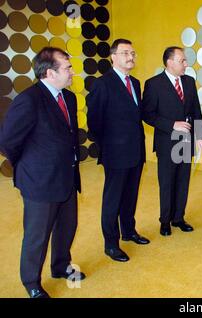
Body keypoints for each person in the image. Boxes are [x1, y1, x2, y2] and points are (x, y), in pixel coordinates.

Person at [0, 47, 85, 298]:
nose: (72, 72)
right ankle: (31, 282)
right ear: (50, 72)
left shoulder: (68, 98)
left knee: (67, 227)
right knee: (37, 236)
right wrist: (29, 165)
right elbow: (7, 142)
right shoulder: (28, 100)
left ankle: (60, 266)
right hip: (40, 182)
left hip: (67, 176)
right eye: (68, 67)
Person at [87, 39, 149, 263]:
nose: (131, 56)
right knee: (113, 199)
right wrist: (109, 146)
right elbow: (93, 121)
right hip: (115, 153)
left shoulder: (136, 82)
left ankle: (129, 231)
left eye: (133, 52)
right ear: (113, 57)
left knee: (131, 194)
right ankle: (111, 244)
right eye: (125, 53)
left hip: (135, 151)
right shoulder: (102, 84)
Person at [142, 46, 202, 236]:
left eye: (185, 60)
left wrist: (199, 136)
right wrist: (172, 125)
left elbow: (196, 111)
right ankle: (165, 221)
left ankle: (178, 218)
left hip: (186, 141)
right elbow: (147, 114)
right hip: (166, 141)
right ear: (169, 62)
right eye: (182, 61)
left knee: (183, 181)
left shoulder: (190, 81)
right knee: (167, 182)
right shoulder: (153, 84)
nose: (186, 64)